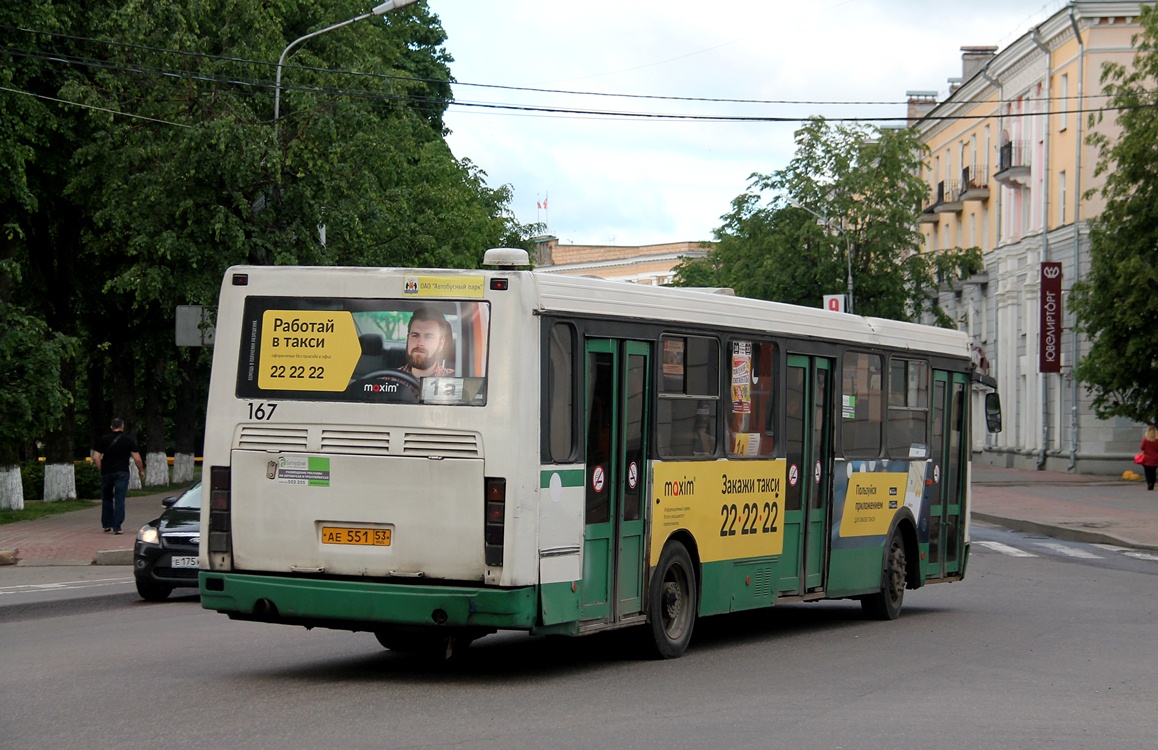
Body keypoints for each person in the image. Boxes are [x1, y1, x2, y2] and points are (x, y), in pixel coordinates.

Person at [93, 418, 145, 534]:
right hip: (122, 473)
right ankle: (117, 527)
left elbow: (96, 457)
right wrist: (141, 470)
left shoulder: (104, 439)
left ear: (111, 427)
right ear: (122, 427)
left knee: (107, 497)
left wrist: (101, 468)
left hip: (107, 472)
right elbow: (137, 458)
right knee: (120, 499)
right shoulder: (128, 441)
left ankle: (107, 524)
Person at [399, 306, 455, 378]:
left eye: (429, 337)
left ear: (441, 344)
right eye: (415, 336)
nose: (420, 343)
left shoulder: (455, 381)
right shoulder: (389, 381)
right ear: (408, 339)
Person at [1139, 425, 1158, 491]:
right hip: (1155, 459)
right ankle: (1152, 483)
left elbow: (1141, 448)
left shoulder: (1145, 439)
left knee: (1147, 472)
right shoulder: (1157, 440)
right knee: (1153, 472)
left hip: (1146, 459)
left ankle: (1149, 483)